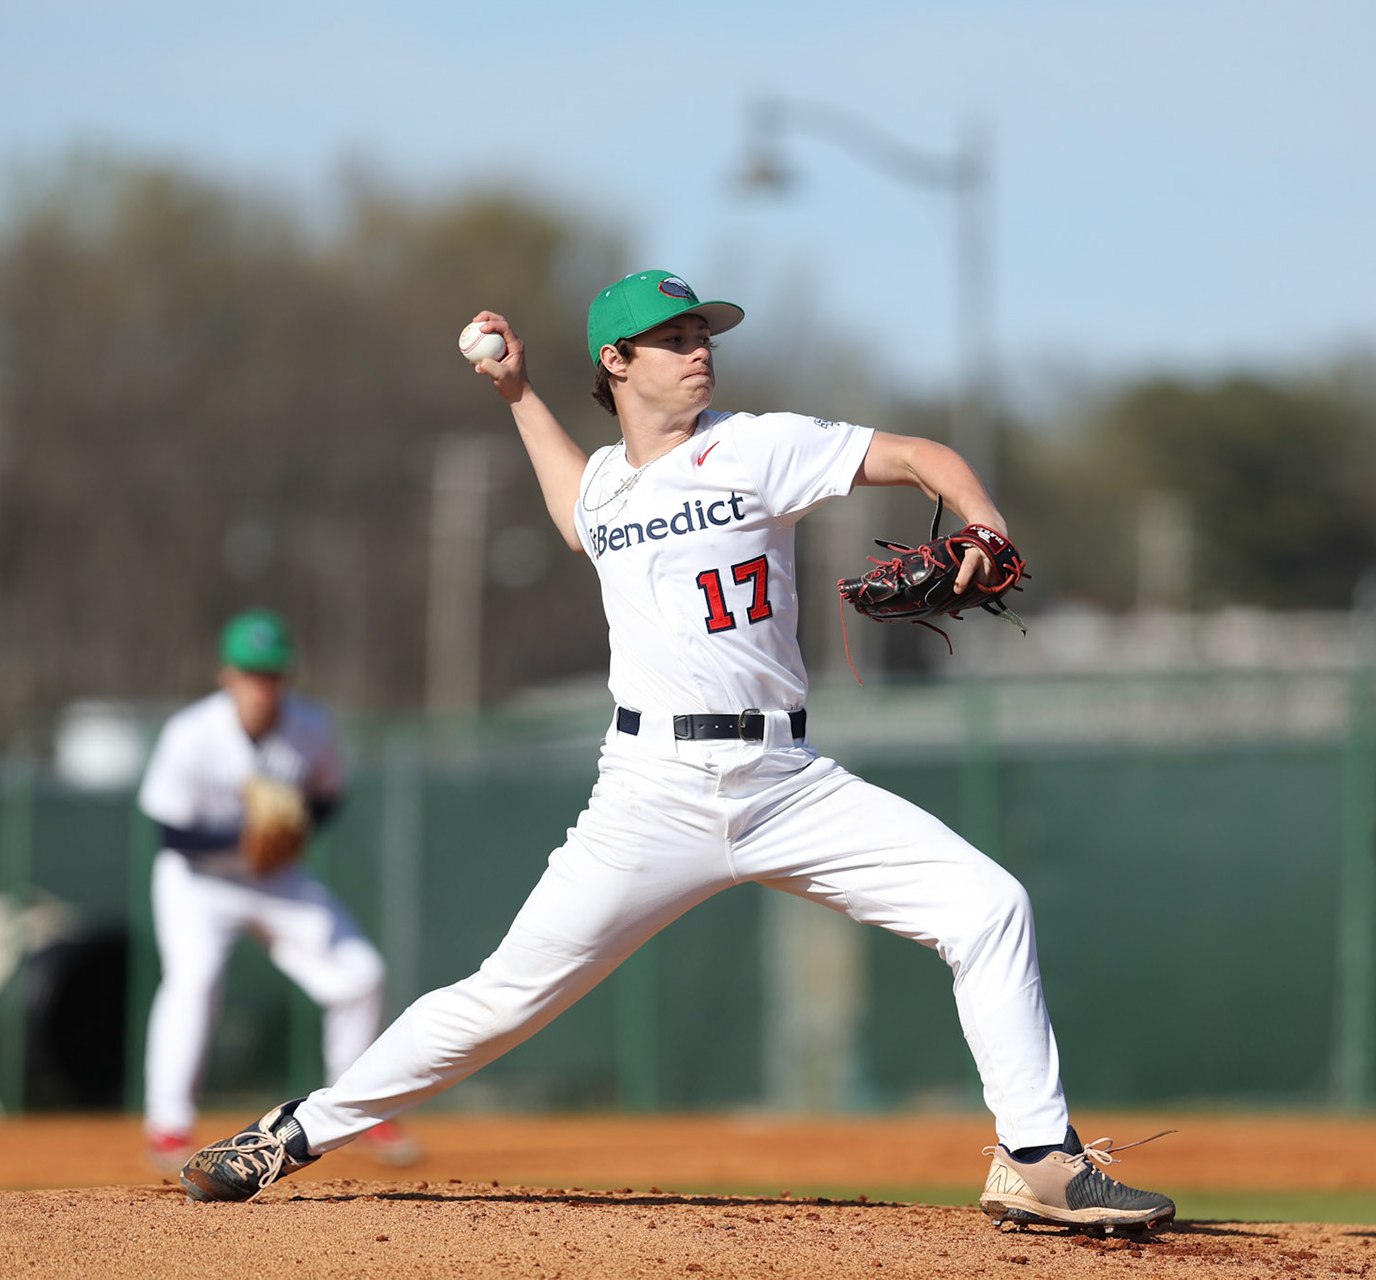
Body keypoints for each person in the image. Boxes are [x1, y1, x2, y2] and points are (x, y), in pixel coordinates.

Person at [179, 271, 1176, 1230]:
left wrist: (984, 523)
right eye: (675, 338)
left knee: (989, 905)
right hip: (650, 792)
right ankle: (293, 1133)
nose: (700, 351)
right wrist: (519, 392)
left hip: (786, 784)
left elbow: (920, 454)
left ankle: (1037, 1160)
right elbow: (574, 511)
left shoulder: (758, 444)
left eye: (704, 334)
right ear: (616, 361)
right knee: (504, 998)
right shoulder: (606, 486)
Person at [137, 609, 420, 1171]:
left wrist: (298, 827)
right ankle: (168, 1127)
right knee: (194, 980)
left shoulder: (312, 727)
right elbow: (169, 832)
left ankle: (356, 1110)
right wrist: (240, 837)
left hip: (277, 878)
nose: (263, 686)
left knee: (362, 976)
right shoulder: (190, 733)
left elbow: (327, 797)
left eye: (272, 673)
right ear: (227, 675)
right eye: (252, 673)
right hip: (199, 881)